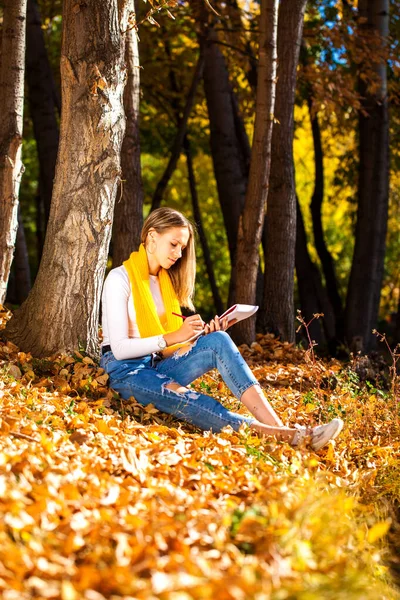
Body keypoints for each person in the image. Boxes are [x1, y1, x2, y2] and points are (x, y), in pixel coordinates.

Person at [100, 207, 343, 451]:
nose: (179, 254)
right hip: (125, 372)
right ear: (152, 237)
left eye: (182, 248)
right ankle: (293, 438)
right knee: (195, 400)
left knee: (218, 339)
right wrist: (174, 336)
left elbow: (166, 348)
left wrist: (199, 337)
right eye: (174, 244)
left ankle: (283, 430)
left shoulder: (165, 283)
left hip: (156, 364)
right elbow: (120, 350)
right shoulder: (119, 279)